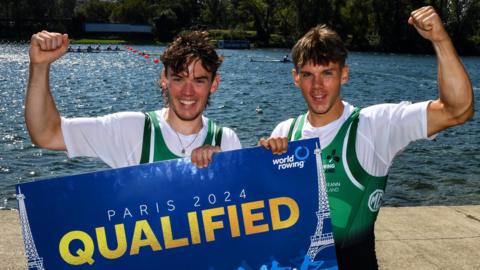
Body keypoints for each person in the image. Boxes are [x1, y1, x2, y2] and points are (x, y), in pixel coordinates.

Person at [259, 6, 473, 269]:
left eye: (327, 73)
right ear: (295, 78)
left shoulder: (374, 125)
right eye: (308, 75)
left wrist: (440, 39)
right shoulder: (284, 132)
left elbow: (457, 109)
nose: (317, 86)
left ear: (344, 75)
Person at [25, 30, 241, 169]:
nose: (188, 91)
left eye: (199, 80)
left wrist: (226, 168)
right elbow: (46, 134)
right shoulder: (130, 129)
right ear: (164, 79)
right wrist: (40, 66)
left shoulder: (227, 141)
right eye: (179, 78)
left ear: (214, 83)